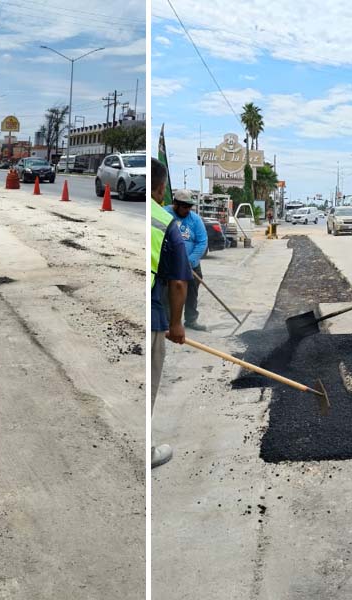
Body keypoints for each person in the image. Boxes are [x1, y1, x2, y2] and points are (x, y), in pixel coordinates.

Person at [151, 157, 192, 469]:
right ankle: (147, 450)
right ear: (162, 190)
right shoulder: (165, 223)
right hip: (151, 315)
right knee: (149, 382)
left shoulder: (176, 224)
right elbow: (178, 282)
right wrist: (176, 325)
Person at [166, 189, 209, 331]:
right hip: (170, 264)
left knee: (192, 293)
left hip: (191, 264)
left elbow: (202, 242)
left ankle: (191, 320)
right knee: (169, 292)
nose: (187, 210)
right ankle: (167, 320)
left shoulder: (195, 219)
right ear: (175, 204)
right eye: (184, 206)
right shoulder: (164, 214)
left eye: (190, 206)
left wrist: (190, 260)